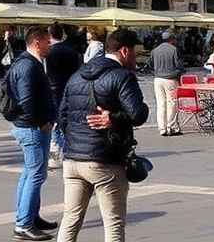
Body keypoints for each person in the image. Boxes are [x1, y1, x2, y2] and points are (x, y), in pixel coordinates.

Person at [57, 29, 149, 242]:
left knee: (70, 219)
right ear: (124, 51)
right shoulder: (122, 76)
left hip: (73, 159)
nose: (136, 57)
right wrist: (115, 119)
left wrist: (76, 140)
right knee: (113, 224)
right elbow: (138, 114)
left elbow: (62, 116)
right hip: (105, 160)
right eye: (135, 52)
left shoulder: (76, 76)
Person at [8, 26, 58, 241]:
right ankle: (23, 225)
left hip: (29, 126)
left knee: (31, 173)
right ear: (37, 43)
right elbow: (27, 100)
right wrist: (42, 122)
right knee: (36, 174)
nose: (50, 45)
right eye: (47, 41)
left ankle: (29, 216)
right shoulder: (28, 66)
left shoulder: (27, 63)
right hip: (32, 128)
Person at [46, 23, 80, 168]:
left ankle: (56, 153)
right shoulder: (71, 52)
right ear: (62, 35)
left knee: (54, 121)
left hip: (52, 89)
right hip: (69, 89)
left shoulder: (47, 52)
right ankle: (68, 150)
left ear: (49, 35)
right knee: (67, 120)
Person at [151, 32, 184, 137]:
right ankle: (171, 127)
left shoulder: (155, 50)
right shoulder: (174, 50)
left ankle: (162, 128)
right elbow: (179, 65)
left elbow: (151, 64)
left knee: (161, 104)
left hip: (158, 79)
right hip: (171, 79)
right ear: (171, 39)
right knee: (172, 103)